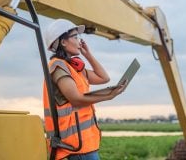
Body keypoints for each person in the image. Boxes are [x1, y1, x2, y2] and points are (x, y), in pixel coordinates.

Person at [43, 19, 127, 160]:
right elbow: (76, 99)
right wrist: (108, 96)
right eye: (75, 37)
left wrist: (87, 54)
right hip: (73, 147)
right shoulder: (58, 66)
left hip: (84, 144)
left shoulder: (75, 68)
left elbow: (104, 78)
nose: (79, 41)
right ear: (63, 42)